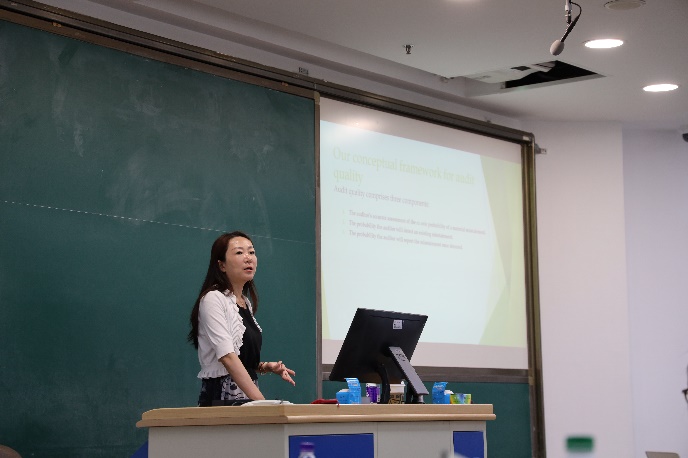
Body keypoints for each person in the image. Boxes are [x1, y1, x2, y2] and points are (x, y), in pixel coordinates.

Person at [188, 231, 295, 406]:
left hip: (246, 394)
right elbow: (227, 357)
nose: (248, 258)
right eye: (239, 252)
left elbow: (240, 357)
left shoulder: (245, 303)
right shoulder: (214, 299)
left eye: (251, 252)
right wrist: (264, 405)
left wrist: (265, 366)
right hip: (223, 396)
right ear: (222, 265)